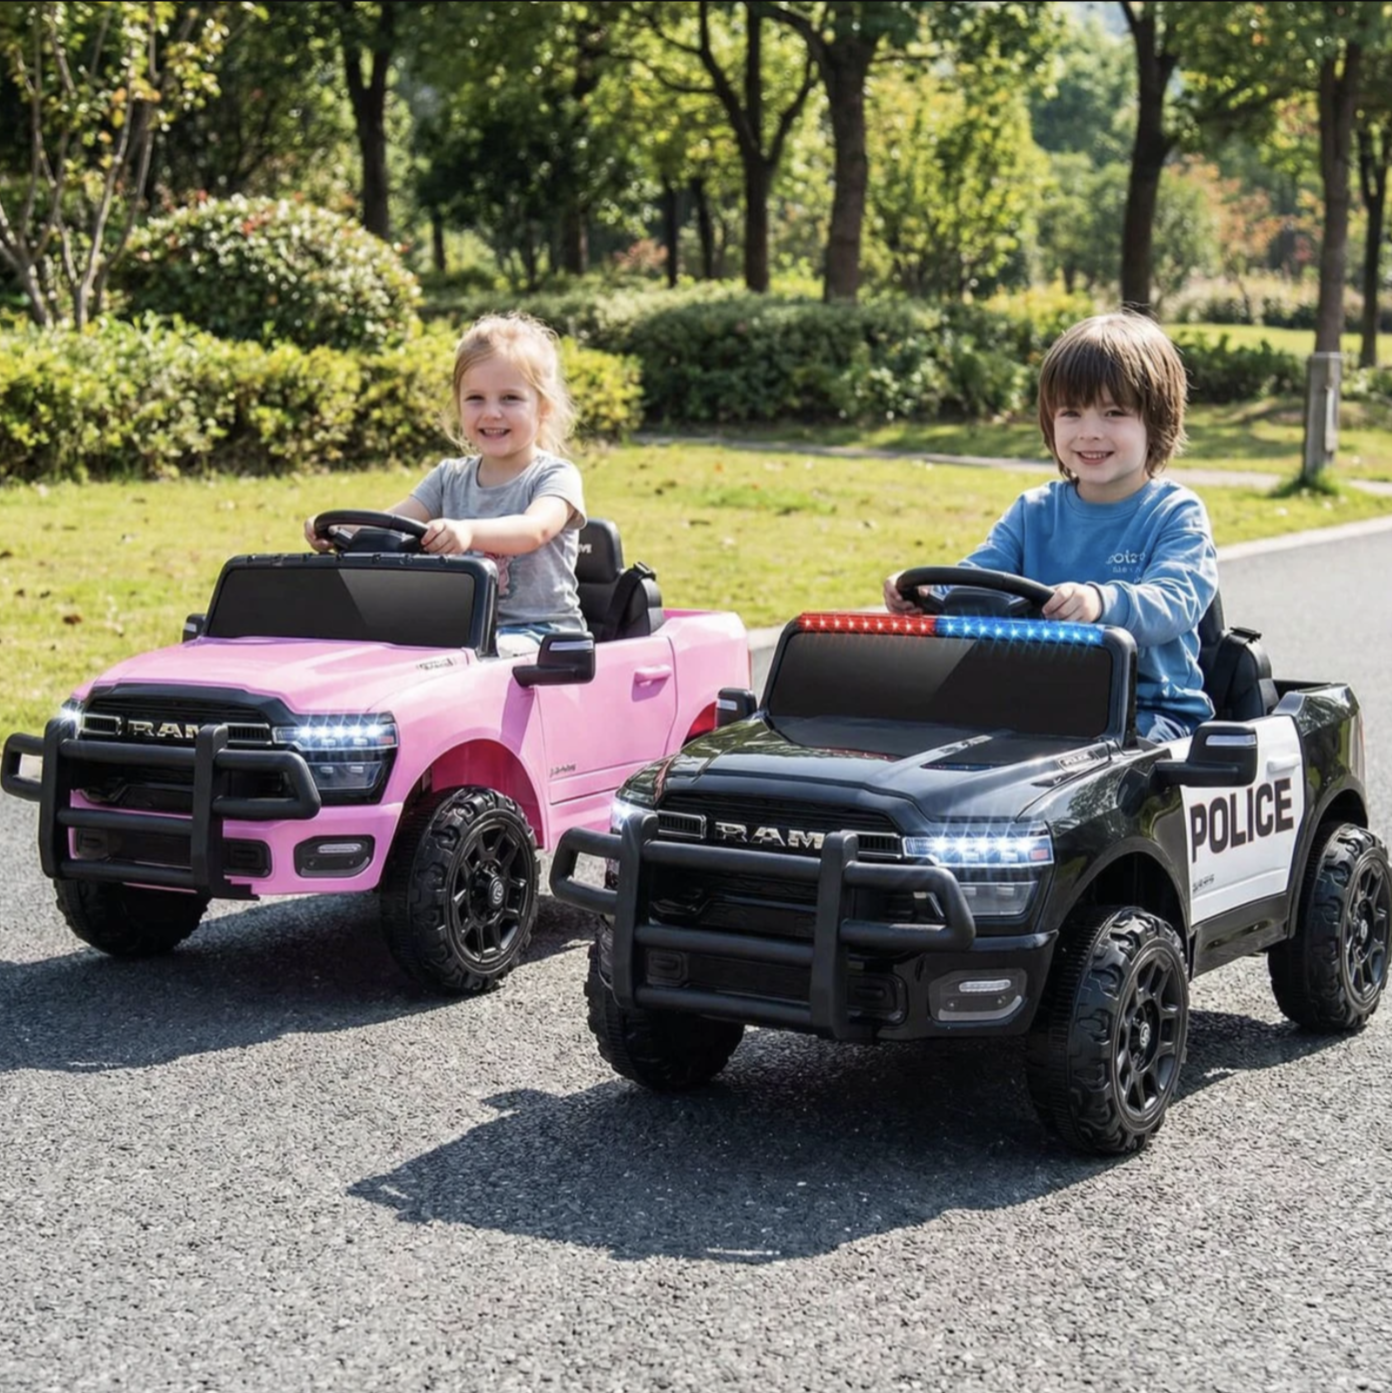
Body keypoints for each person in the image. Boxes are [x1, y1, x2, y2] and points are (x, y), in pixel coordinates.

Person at [884, 310, 1218, 743]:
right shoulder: (1033, 511)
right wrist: (926, 593)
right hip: (1039, 704)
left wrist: (1100, 603)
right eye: (1072, 414)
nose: (1090, 433)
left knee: (1107, 773)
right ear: (1050, 421)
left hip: (1150, 715)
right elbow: (980, 575)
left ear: (1156, 421)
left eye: (1114, 413)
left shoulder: (1175, 513)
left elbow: (1175, 600)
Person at [305, 311, 587, 657]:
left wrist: (467, 532)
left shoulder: (554, 476)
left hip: (542, 634)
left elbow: (534, 530)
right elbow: (393, 521)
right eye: (475, 399)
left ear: (543, 407)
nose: (492, 412)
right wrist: (336, 529)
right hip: (461, 629)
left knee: (483, 657)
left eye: (510, 398)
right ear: (459, 405)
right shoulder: (449, 478)